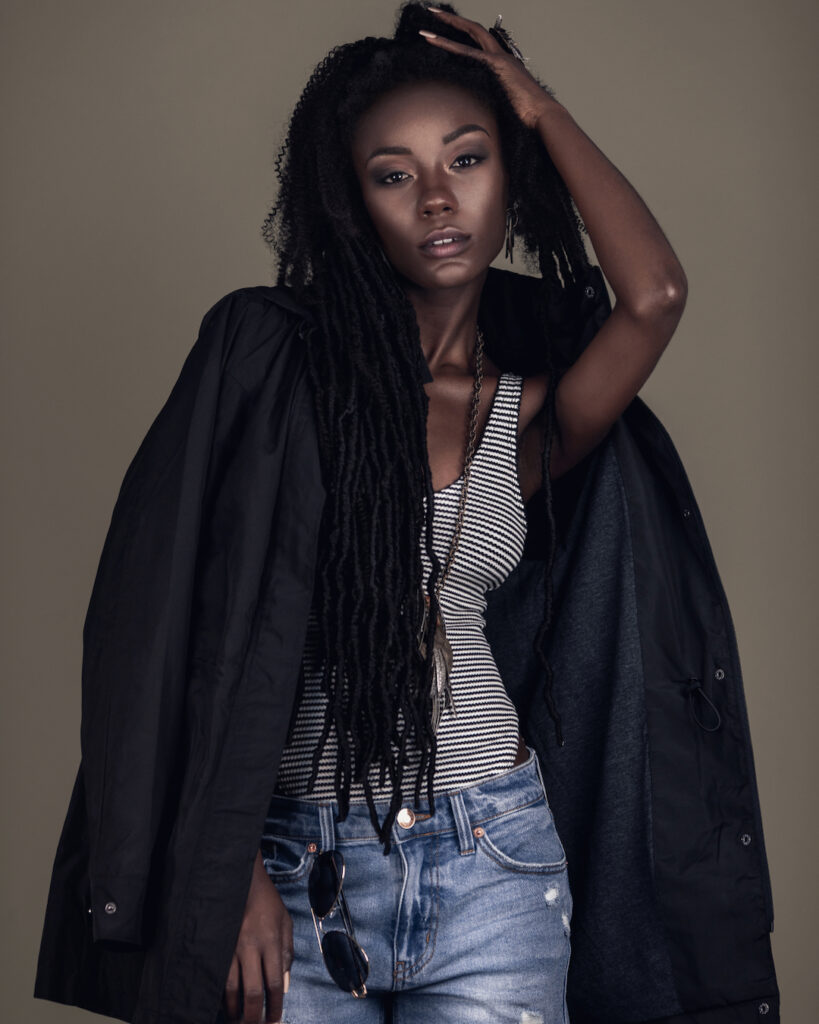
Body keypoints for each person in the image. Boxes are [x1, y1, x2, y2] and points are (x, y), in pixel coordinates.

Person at [33, 4, 780, 1024]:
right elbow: (147, 623)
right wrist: (232, 866)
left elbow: (654, 294)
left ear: (508, 179)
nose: (438, 196)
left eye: (468, 159)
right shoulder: (269, 370)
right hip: (296, 869)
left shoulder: (524, 416)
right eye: (395, 173)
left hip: (495, 859)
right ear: (353, 204)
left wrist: (535, 103)